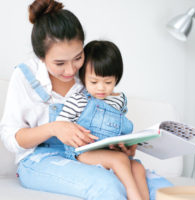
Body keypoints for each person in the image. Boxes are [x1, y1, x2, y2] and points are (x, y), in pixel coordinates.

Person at [0, 0, 173, 199]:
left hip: (90, 154)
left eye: (77, 57)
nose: (71, 70)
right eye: (59, 63)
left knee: (162, 189)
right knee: (108, 184)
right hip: (41, 158)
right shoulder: (25, 77)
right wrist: (54, 128)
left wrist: (121, 144)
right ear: (41, 57)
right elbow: (11, 138)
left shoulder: (90, 74)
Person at [56, 40, 149, 200]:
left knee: (138, 167)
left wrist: (127, 143)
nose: (101, 88)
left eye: (108, 82)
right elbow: (60, 126)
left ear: (116, 79)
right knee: (119, 160)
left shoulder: (119, 101)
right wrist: (76, 136)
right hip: (83, 152)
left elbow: (119, 128)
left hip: (110, 152)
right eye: (94, 82)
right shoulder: (79, 100)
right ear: (83, 77)